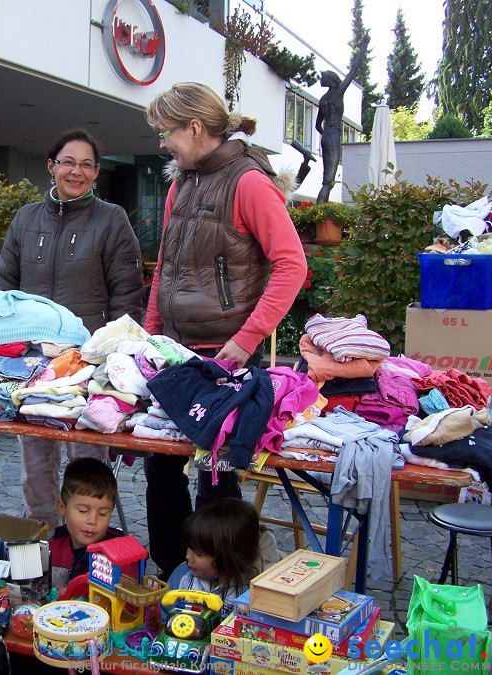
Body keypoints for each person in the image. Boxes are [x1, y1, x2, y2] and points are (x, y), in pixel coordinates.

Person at [142, 82, 306, 579]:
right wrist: (147, 336)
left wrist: (245, 340)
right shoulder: (180, 184)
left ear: (194, 128)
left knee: (215, 481)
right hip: (173, 350)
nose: (162, 143)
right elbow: (166, 268)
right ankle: (173, 574)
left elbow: (291, 265)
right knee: (161, 470)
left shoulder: (249, 183)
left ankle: (229, 580)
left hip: (223, 357)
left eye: (165, 132)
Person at [0, 129, 144, 530]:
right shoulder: (26, 218)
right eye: (68, 162)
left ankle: (87, 552)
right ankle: (39, 546)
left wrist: (115, 359)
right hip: (33, 366)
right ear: (51, 166)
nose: (76, 171)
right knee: (36, 468)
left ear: (96, 173)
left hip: (88, 365)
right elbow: (2, 289)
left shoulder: (112, 220)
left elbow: (127, 297)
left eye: (86, 164)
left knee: (89, 464)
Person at [174, 498, 281, 615]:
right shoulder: (183, 574)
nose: (188, 556)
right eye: (189, 547)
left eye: (198, 553)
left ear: (230, 558)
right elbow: (166, 614)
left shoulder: (256, 593)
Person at [48, 458, 139, 594]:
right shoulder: (53, 545)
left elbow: (128, 603)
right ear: (62, 507)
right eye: (83, 511)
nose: (92, 520)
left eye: (102, 513)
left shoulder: (121, 558)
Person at [316, 34, 370, 203]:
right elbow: (354, 69)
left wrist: (326, 133)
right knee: (329, 180)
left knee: (327, 176)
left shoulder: (323, 100)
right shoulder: (338, 92)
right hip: (333, 134)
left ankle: (319, 211)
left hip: (326, 136)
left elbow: (318, 125)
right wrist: (364, 45)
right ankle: (318, 212)